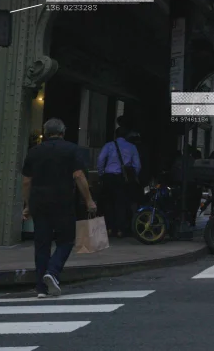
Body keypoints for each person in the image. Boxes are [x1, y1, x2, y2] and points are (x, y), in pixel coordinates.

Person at [22, 118, 97, 298]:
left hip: (39, 201)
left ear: (45, 133)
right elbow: (78, 175)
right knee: (66, 240)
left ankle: (41, 287)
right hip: (62, 200)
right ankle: (53, 271)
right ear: (63, 132)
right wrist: (89, 200)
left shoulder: (34, 151)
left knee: (42, 244)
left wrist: (27, 205)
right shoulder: (72, 150)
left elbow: (26, 181)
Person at [97, 130, 141, 238]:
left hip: (109, 177)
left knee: (108, 203)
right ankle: (120, 230)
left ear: (115, 135)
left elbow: (100, 159)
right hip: (122, 178)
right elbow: (137, 165)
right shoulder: (132, 147)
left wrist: (101, 173)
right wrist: (132, 176)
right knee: (121, 203)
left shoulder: (109, 145)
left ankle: (109, 228)